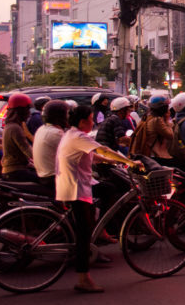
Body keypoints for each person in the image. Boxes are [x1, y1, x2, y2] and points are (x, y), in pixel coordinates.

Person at [56, 104, 142, 293]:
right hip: (76, 189)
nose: (93, 122)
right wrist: (128, 162)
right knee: (84, 235)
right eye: (90, 119)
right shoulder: (79, 136)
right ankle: (83, 279)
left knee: (86, 226)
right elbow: (102, 150)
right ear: (82, 121)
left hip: (74, 186)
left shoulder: (71, 135)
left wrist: (113, 161)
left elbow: (94, 155)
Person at [1, 93, 38, 182]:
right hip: (15, 172)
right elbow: (27, 150)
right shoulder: (15, 128)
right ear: (21, 111)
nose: (29, 113)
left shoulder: (10, 126)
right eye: (27, 109)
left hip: (13, 170)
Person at [33, 100, 69, 187]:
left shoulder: (42, 129)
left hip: (43, 175)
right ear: (61, 116)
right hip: (54, 178)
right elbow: (75, 153)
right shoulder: (56, 133)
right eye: (67, 114)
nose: (69, 117)